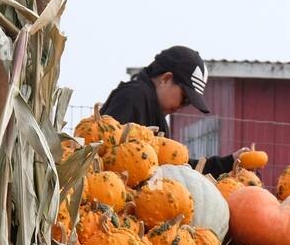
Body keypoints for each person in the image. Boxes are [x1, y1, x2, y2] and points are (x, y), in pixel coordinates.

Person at [100, 45, 235, 177]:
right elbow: (105, 149)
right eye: (185, 98)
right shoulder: (133, 96)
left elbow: (178, 167)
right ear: (166, 79)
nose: (183, 105)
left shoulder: (159, 120)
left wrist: (229, 162)